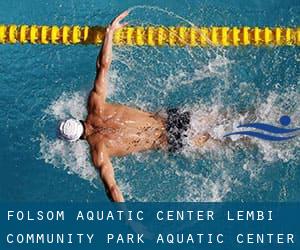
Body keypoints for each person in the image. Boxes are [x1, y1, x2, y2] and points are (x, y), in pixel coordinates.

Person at [58, 11, 210, 202]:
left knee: (228, 141)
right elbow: (103, 66)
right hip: (172, 118)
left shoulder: (99, 152)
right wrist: (109, 33)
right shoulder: (95, 105)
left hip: (171, 140)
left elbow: (112, 189)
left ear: (76, 140)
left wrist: (131, 223)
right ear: (76, 119)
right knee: (226, 118)